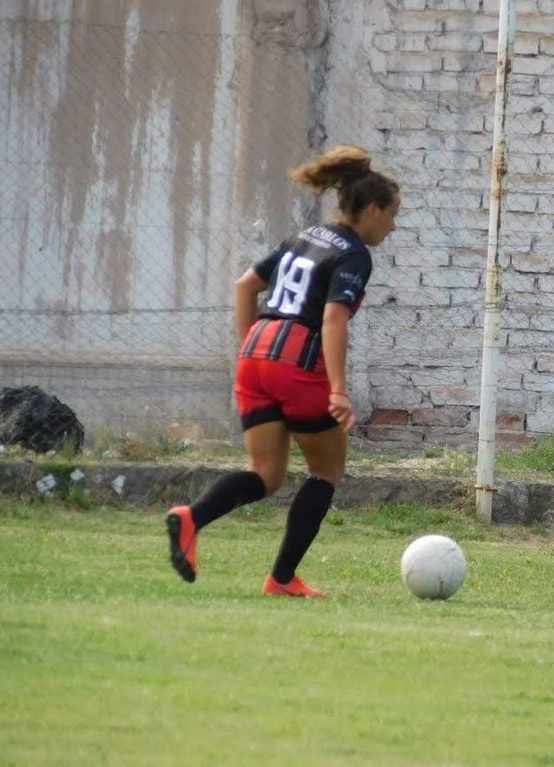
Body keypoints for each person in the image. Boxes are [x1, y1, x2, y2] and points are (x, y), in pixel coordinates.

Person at [165, 145, 400, 597]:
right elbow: (333, 318)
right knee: (325, 473)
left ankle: (191, 518)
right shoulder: (354, 255)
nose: (393, 225)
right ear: (371, 208)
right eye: (392, 215)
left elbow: (245, 285)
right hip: (299, 363)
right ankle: (282, 579)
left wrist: (250, 346)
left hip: (256, 354)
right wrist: (338, 390)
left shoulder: (306, 237)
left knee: (266, 474)